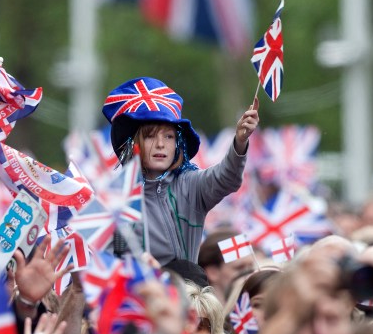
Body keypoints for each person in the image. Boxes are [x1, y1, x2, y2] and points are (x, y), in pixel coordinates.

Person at [101, 76, 259, 264]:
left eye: (169, 137)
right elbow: (105, 257)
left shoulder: (191, 184)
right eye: (150, 137)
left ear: (178, 143)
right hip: (142, 290)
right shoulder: (115, 197)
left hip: (190, 291)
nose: (161, 145)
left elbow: (226, 178)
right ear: (135, 144)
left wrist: (240, 142)